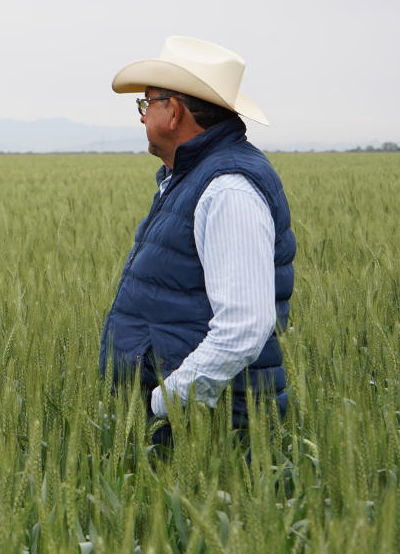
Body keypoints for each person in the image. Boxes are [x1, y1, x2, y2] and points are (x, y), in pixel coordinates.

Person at [99, 36, 296, 438]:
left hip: (209, 428)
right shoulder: (192, 178)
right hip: (192, 422)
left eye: (146, 102)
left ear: (173, 111)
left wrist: (163, 401)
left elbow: (245, 326)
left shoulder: (228, 189)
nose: (140, 117)